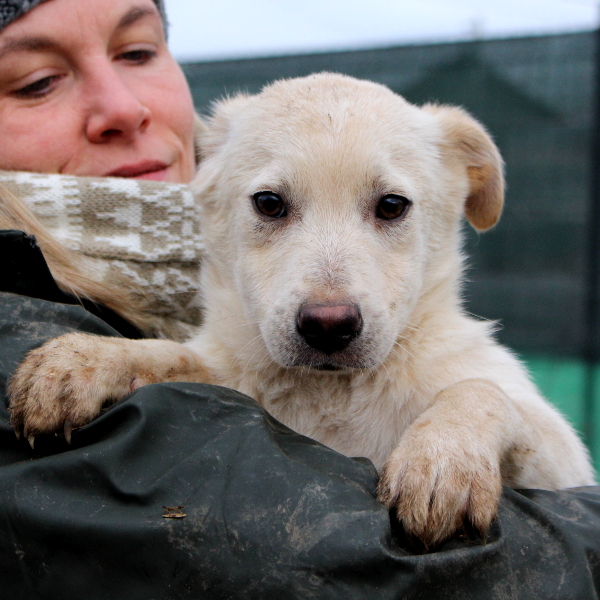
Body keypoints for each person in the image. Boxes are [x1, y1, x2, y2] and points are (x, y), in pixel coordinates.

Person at [0, 1, 599, 598]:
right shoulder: (24, 318)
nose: (329, 305)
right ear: (215, 182)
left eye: (389, 207)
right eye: (271, 205)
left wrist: (478, 412)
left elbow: (567, 476)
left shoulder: (458, 369)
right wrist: (134, 361)